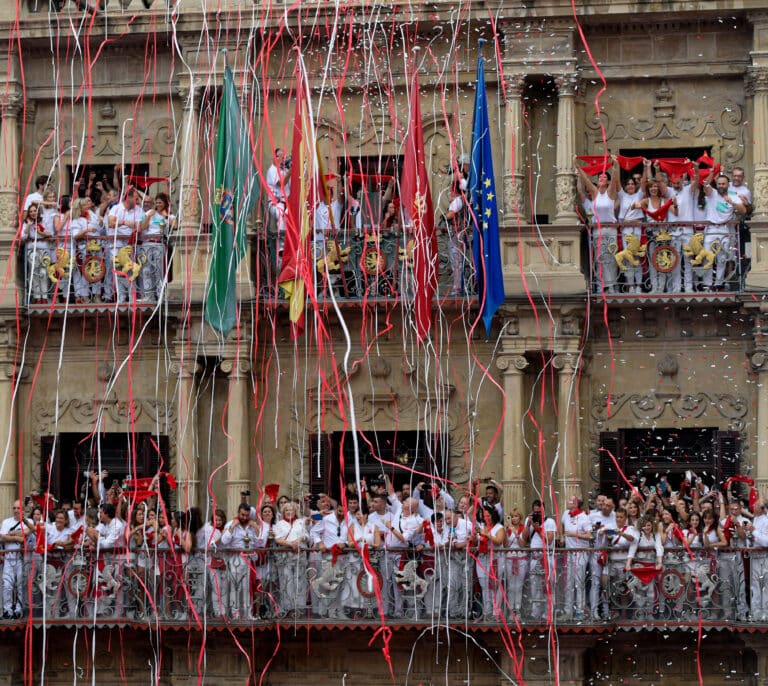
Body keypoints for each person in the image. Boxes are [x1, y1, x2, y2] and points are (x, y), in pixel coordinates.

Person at [575, 155, 620, 294]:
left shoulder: (610, 193)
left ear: (607, 182)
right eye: (600, 177)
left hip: (610, 230)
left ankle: (612, 286)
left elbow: (615, 178)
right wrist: (577, 165)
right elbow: (586, 181)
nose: (602, 178)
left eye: (604, 177)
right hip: (598, 230)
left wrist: (615, 165)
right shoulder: (595, 194)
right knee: (600, 259)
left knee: (611, 259)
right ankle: (602, 286)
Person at [702, 171, 746, 290]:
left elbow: (743, 211)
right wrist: (712, 172)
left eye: (723, 184)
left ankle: (718, 283)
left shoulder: (733, 195)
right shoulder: (712, 193)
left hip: (724, 229)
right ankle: (707, 283)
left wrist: (732, 202)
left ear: (728, 185)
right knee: (707, 256)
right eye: (719, 183)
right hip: (711, 229)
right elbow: (705, 184)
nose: (721, 186)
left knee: (722, 258)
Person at [105, 187, 145, 303]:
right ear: (128, 198)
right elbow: (111, 223)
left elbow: (140, 226)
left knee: (132, 269)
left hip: (131, 244)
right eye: (136, 198)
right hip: (117, 244)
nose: (137, 201)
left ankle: (132, 296)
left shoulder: (138, 210)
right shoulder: (116, 208)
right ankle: (121, 297)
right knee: (118, 270)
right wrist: (124, 223)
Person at [273, 501, 308, 617]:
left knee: (299, 581)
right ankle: (288, 608)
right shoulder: (280, 524)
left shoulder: (300, 522)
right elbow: (278, 539)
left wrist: (298, 541)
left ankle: (299, 608)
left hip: (299, 555)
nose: (289, 512)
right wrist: (290, 544)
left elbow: (306, 536)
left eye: (291, 510)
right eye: (286, 510)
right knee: (286, 581)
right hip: (285, 556)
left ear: (295, 511)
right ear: (283, 512)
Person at [617, 161, 648, 293]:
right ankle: (630, 285)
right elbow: (616, 182)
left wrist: (646, 167)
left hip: (637, 230)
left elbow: (644, 182)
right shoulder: (622, 196)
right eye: (628, 184)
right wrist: (615, 165)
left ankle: (639, 285)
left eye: (632, 184)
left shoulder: (639, 195)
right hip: (626, 231)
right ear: (625, 186)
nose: (630, 186)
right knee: (628, 257)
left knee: (637, 256)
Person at [138, 192, 174, 302]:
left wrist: (166, 216)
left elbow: (175, 225)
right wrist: (149, 216)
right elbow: (141, 228)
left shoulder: (169, 214)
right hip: (147, 244)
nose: (158, 205)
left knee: (159, 270)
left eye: (160, 203)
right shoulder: (149, 212)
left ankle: (160, 294)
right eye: (156, 202)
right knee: (146, 270)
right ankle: (149, 295)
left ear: (165, 203)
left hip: (159, 244)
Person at [560, 495, 592, 620]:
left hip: (581, 553)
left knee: (579, 583)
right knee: (569, 583)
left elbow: (589, 535)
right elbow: (562, 524)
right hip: (569, 553)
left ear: (576, 504)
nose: (567, 501)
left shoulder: (584, 517)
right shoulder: (566, 513)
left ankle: (579, 610)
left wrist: (575, 534)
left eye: (570, 500)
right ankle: (568, 611)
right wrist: (562, 536)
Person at [720, 499, 751, 620]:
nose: (733, 511)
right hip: (725, 555)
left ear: (740, 508)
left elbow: (744, 538)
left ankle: (742, 611)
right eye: (731, 509)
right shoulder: (723, 522)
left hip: (738, 554)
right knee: (725, 583)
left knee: (740, 584)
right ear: (728, 509)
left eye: (736, 509)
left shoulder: (745, 521)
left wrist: (737, 524)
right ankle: (727, 611)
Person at [526, 500, 557, 621]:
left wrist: (538, 528)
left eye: (539, 511)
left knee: (548, 586)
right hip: (535, 558)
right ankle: (535, 613)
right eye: (535, 511)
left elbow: (549, 540)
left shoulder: (550, 522)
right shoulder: (531, 520)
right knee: (535, 586)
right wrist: (529, 525)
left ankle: (548, 613)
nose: (537, 513)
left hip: (547, 557)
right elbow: (524, 539)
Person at [475, 506, 506, 618]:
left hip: (495, 559)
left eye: (488, 515)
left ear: (493, 515)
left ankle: (495, 612)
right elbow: (476, 541)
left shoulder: (499, 527)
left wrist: (487, 534)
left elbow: (499, 541)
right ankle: (487, 611)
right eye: (484, 515)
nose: (486, 517)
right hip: (482, 559)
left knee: (494, 586)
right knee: (484, 586)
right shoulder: (482, 526)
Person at [21, 202, 53, 304]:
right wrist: (28, 226)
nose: (33, 213)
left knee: (43, 273)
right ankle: (37, 296)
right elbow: (23, 237)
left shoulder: (44, 220)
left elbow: (50, 233)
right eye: (31, 211)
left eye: (35, 211)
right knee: (34, 273)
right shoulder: (26, 222)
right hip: (32, 250)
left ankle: (44, 295)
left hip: (44, 248)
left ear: (38, 211)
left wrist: (40, 233)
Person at [504, 508, 528, 617]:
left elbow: (523, 544)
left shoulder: (524, 528)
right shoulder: (508, 529)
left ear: (520, 517)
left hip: (521, 559)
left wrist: (516, 534)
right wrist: (505, 531)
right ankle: (510, 609)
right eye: (512, 516)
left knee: (519, 585)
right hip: (509, 559)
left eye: (516, 516)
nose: (514, 518)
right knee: (510, 586)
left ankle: (517, 608)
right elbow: (505, 545)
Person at [265, 148, 290, 252]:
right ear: (275, 157)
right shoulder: (272, 170)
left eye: (284, 157)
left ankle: (289, 243)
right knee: (281, 213)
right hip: (275, 203)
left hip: (286, 202)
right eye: (282, 157)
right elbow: (282, 183)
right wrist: (291, 170)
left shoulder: (284, 170)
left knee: (290, 215)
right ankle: (281, 245)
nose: (284, 159)